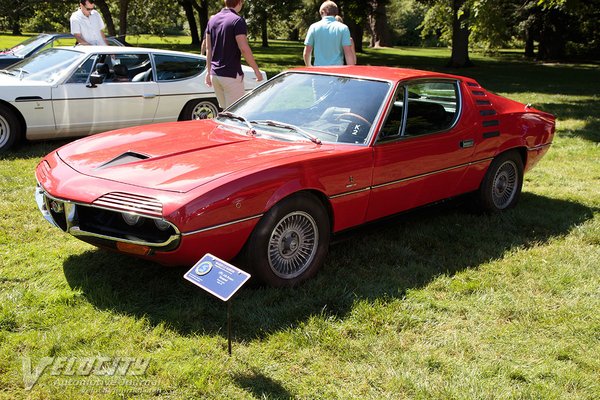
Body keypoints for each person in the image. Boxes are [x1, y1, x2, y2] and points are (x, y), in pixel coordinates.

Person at [204, 0, 263, 109]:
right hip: (230, 75)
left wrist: (208, 72)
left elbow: (208, 48)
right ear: (240, 2)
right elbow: (244, 48)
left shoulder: (212, 20)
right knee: (236, 112)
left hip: (215, 75)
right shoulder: (237, 20)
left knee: (224, 112)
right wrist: (256, 71)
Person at [303, 1, 355, 67]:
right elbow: (348, 53)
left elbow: (307, 53)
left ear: (322, 12)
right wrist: (351, 70)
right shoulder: (343, 28)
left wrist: (309, 66)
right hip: (337, 70)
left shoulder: (313, 27)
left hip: (318, 70)